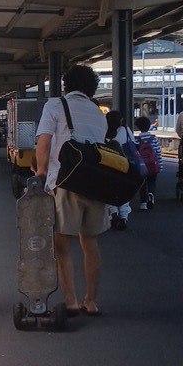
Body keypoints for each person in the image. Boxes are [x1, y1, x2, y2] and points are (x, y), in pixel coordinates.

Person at [34, 65, 108, 316]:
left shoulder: (55, 105)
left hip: (67, 182)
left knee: (62, 243)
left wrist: (41, 173)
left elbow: (43, 141)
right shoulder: (98, 113)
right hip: (97, 184)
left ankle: (72, 301)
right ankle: (92, 301)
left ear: (66, 85)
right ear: (91, 88)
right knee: (90, 242)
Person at [106, 109, 135, 230]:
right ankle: (124, 217)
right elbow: (133, 143)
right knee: (123, 191)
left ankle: (113, 214)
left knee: (109, 190)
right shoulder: (126, 130)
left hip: (108, 165)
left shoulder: (105, 131)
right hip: (124, 165)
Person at [135, 115, 163, 209]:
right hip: (152, 165)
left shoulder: (137, 139)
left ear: (138, 127)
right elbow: (158, 153)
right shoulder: (153, 138)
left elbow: (135, 155)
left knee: (142, 184)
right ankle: (151, 194)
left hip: (142, 166)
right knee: (152, 182)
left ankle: (143, 203)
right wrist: (160, 166)